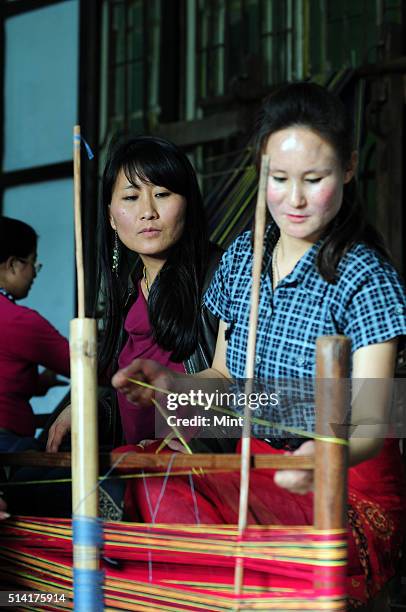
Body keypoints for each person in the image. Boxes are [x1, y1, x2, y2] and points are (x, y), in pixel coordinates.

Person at [111, 83, 406, 606]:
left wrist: (326, 450)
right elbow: (225, 380)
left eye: (314, 179)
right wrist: (171, 384)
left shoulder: (365, 276)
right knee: (153, 477)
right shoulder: (244, 256)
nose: (294, 199)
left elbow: (369, 422)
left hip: (346, 487)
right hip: (260, 469)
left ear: (350, 168)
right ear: (260, 172)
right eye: (279, 179)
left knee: (202, 549)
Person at [46, 135, 224, 459]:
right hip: (132, 462)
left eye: (162, 194)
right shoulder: (129, 291)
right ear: (112, 217)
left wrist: (182, 444)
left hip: (194, 468)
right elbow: (136, 397)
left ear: (188, 203)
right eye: (130, 197)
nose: (148, 212)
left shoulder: (222, 279)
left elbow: (243, 392)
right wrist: (92, 410)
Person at [0, 216, 70, 453]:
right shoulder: (18, 320)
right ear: (12, 265)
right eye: (33, 262)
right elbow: (86, 367)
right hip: (7, 445)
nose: (34, 273)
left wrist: (41, 382)